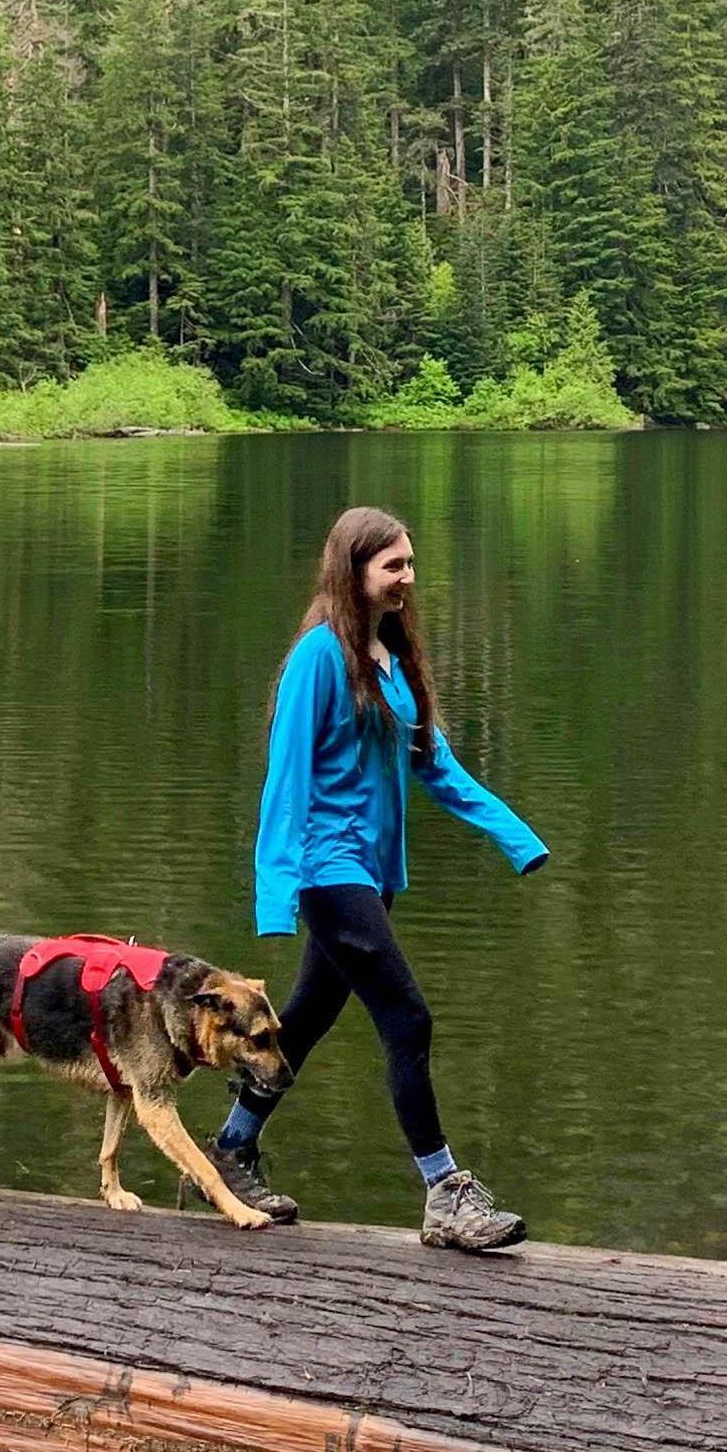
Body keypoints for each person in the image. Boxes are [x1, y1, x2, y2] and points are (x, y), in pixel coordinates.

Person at [204, 505, 548, 1252]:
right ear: (352, 569)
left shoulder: (392, 657)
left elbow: (438, 766)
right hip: (329, 873)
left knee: (304, 1021)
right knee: (408, 1019)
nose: (407, 580)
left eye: (411, 564)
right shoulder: (318, 658)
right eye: (393, 566)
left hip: (370, 874)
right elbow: (285, 779)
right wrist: (277, 893)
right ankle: (446, 1192)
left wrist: (517, 838)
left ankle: (229, 1152)